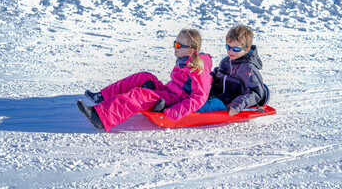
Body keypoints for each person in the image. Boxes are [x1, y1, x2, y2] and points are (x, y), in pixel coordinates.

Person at [76, 29, 213, 131]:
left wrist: (173, 111)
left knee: (140, 94)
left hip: (176, 99)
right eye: (174, 43)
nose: (174, 47)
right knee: (144, 76)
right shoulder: (184, 61)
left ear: (190, 50)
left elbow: (199, 98)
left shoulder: (198, 70)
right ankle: (103, 96)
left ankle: (101, 117)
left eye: (178, 45)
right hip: (169, 91)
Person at [197, 25, 267, 116]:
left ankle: (185, 115)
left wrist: (237, 105)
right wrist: (201, 77)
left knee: (204, 107)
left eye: (236, 49)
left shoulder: (248, 69)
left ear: (246, 50)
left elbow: (256, 92)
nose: (231, 51)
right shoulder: (226, 61)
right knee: (194, 96)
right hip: (219, 95)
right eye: (228, 47)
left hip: (232, 102)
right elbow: (217, 75)